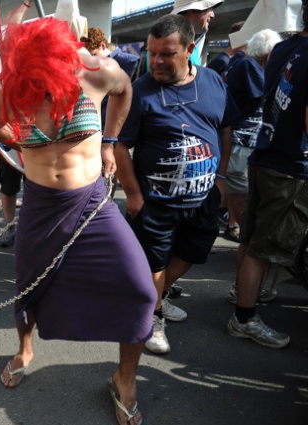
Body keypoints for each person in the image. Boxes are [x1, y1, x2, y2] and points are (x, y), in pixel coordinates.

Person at [0, 13, 156, 425]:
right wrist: (14, 140)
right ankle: (25, 349)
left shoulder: (96, 73)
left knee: (140, 288)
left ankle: (125, 378)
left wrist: (110, 142)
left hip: (92, 203)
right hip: (40, 205)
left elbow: (125, 90)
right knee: (27, 288)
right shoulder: (13, 88)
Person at [116, 14, 236, 355]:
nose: (156, 61)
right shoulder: (139, 90)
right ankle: (151, 316)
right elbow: (119, 145)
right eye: (152, 53)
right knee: (153, 263)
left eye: (166, 54)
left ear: (190, 50)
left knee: (194, 251)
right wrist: (134, 194)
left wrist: (223, 177)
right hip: (155, 203)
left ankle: (148, 297)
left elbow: (226, 128)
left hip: (204, 199)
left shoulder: (213, 82)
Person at [226, 1, 308, 349]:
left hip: (264, 154)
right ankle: (244, 317)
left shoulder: (284, 47)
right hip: (288, 165)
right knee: (262, 247)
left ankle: (241, 297)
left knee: (250, 238)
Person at [221, 29, 281, 246]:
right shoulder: (250, 66)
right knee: (241, 192)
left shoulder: (240, 61)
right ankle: (247, 236)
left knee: (239, 189)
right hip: (242, 141)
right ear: (269, 54)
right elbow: (266, 95)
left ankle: (240, 229)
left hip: (238, 140)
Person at [171, 0, 223, 66]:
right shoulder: (175, 46)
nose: (213, 15)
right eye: (209, 8)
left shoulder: (188, 45)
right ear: (193, 10)